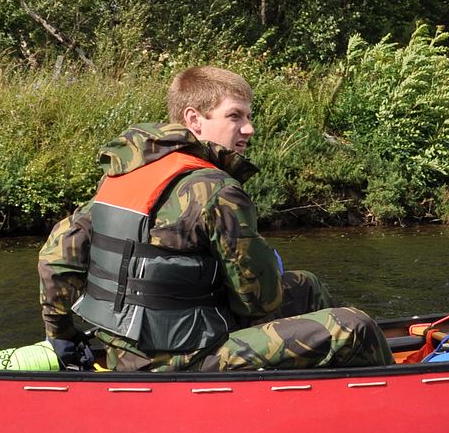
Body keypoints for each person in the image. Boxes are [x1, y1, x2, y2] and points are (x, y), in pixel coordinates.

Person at [38, 66, 392, 371]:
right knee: (353, 325)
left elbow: (54, 259)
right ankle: (376, 399)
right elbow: (258, 301)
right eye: (235, 116)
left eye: (249, 116)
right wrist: (266, 264)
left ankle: (307, 383)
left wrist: (63, 336)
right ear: (194, 119)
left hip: (121, 352)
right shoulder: (217, 189)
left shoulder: (123, 175)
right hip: (186, 358)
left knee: (306, 285)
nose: (249, 128)